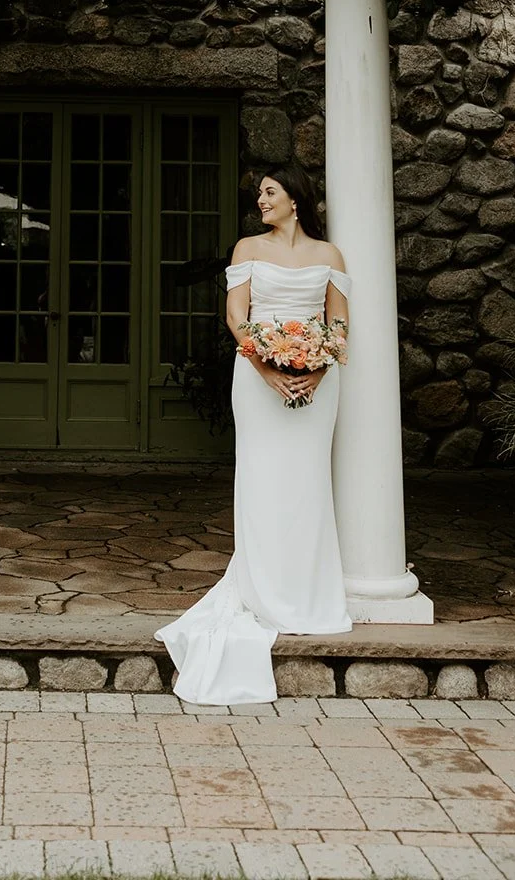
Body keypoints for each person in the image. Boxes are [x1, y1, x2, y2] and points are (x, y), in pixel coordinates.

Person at [156, 164, 352, 704]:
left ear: (296, 199)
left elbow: (337, 325)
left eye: (270, 192)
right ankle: (263, 590)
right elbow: (238, 318)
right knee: (264, 479)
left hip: (317, 384)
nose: (261, 200)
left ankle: (309, 594)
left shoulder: (329, 257)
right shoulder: (247, 249)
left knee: (308, 482)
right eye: (260, 194)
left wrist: (315, 368)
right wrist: (268, 369)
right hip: (257, 377)